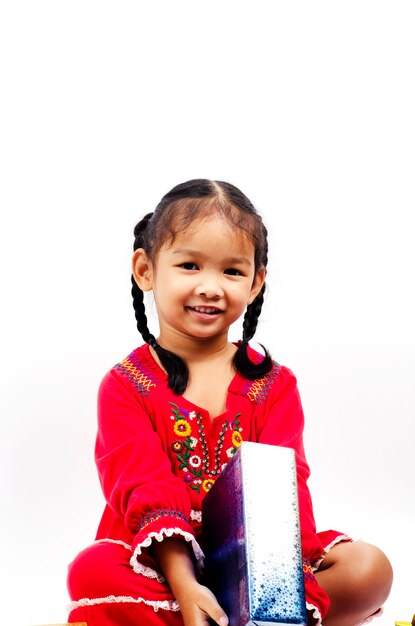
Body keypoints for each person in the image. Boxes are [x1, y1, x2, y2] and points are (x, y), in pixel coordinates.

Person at [67, 179, 392, 626]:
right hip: (164, 567)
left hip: (260, 562)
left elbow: (286, 490)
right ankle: (205, 613)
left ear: (256, 282)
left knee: (367, 569)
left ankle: (258, 616)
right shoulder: (126, 385)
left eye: (232, 271)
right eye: (189, 265)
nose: (210, 287)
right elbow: (143, 486)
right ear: (145, 270)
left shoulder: (274, 384)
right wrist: (185, 586)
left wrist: (273, 586)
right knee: (93, 570)